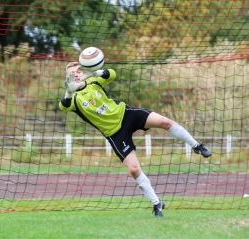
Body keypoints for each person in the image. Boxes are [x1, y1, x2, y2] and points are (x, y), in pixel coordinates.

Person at [59, 61, 212, 217]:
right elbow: (64, 106)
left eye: (78, 71)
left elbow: (111, 74)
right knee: (133, 169)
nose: (75, 74)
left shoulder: (93, 81)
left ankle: (197, 145)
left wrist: (95, 73)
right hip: (114, 133)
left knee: (164, 122)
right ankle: (157, 203)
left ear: (84, 72)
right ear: (68, 78)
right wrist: (69, 92)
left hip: (126, 114)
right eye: (71, 73)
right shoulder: (74, 99)